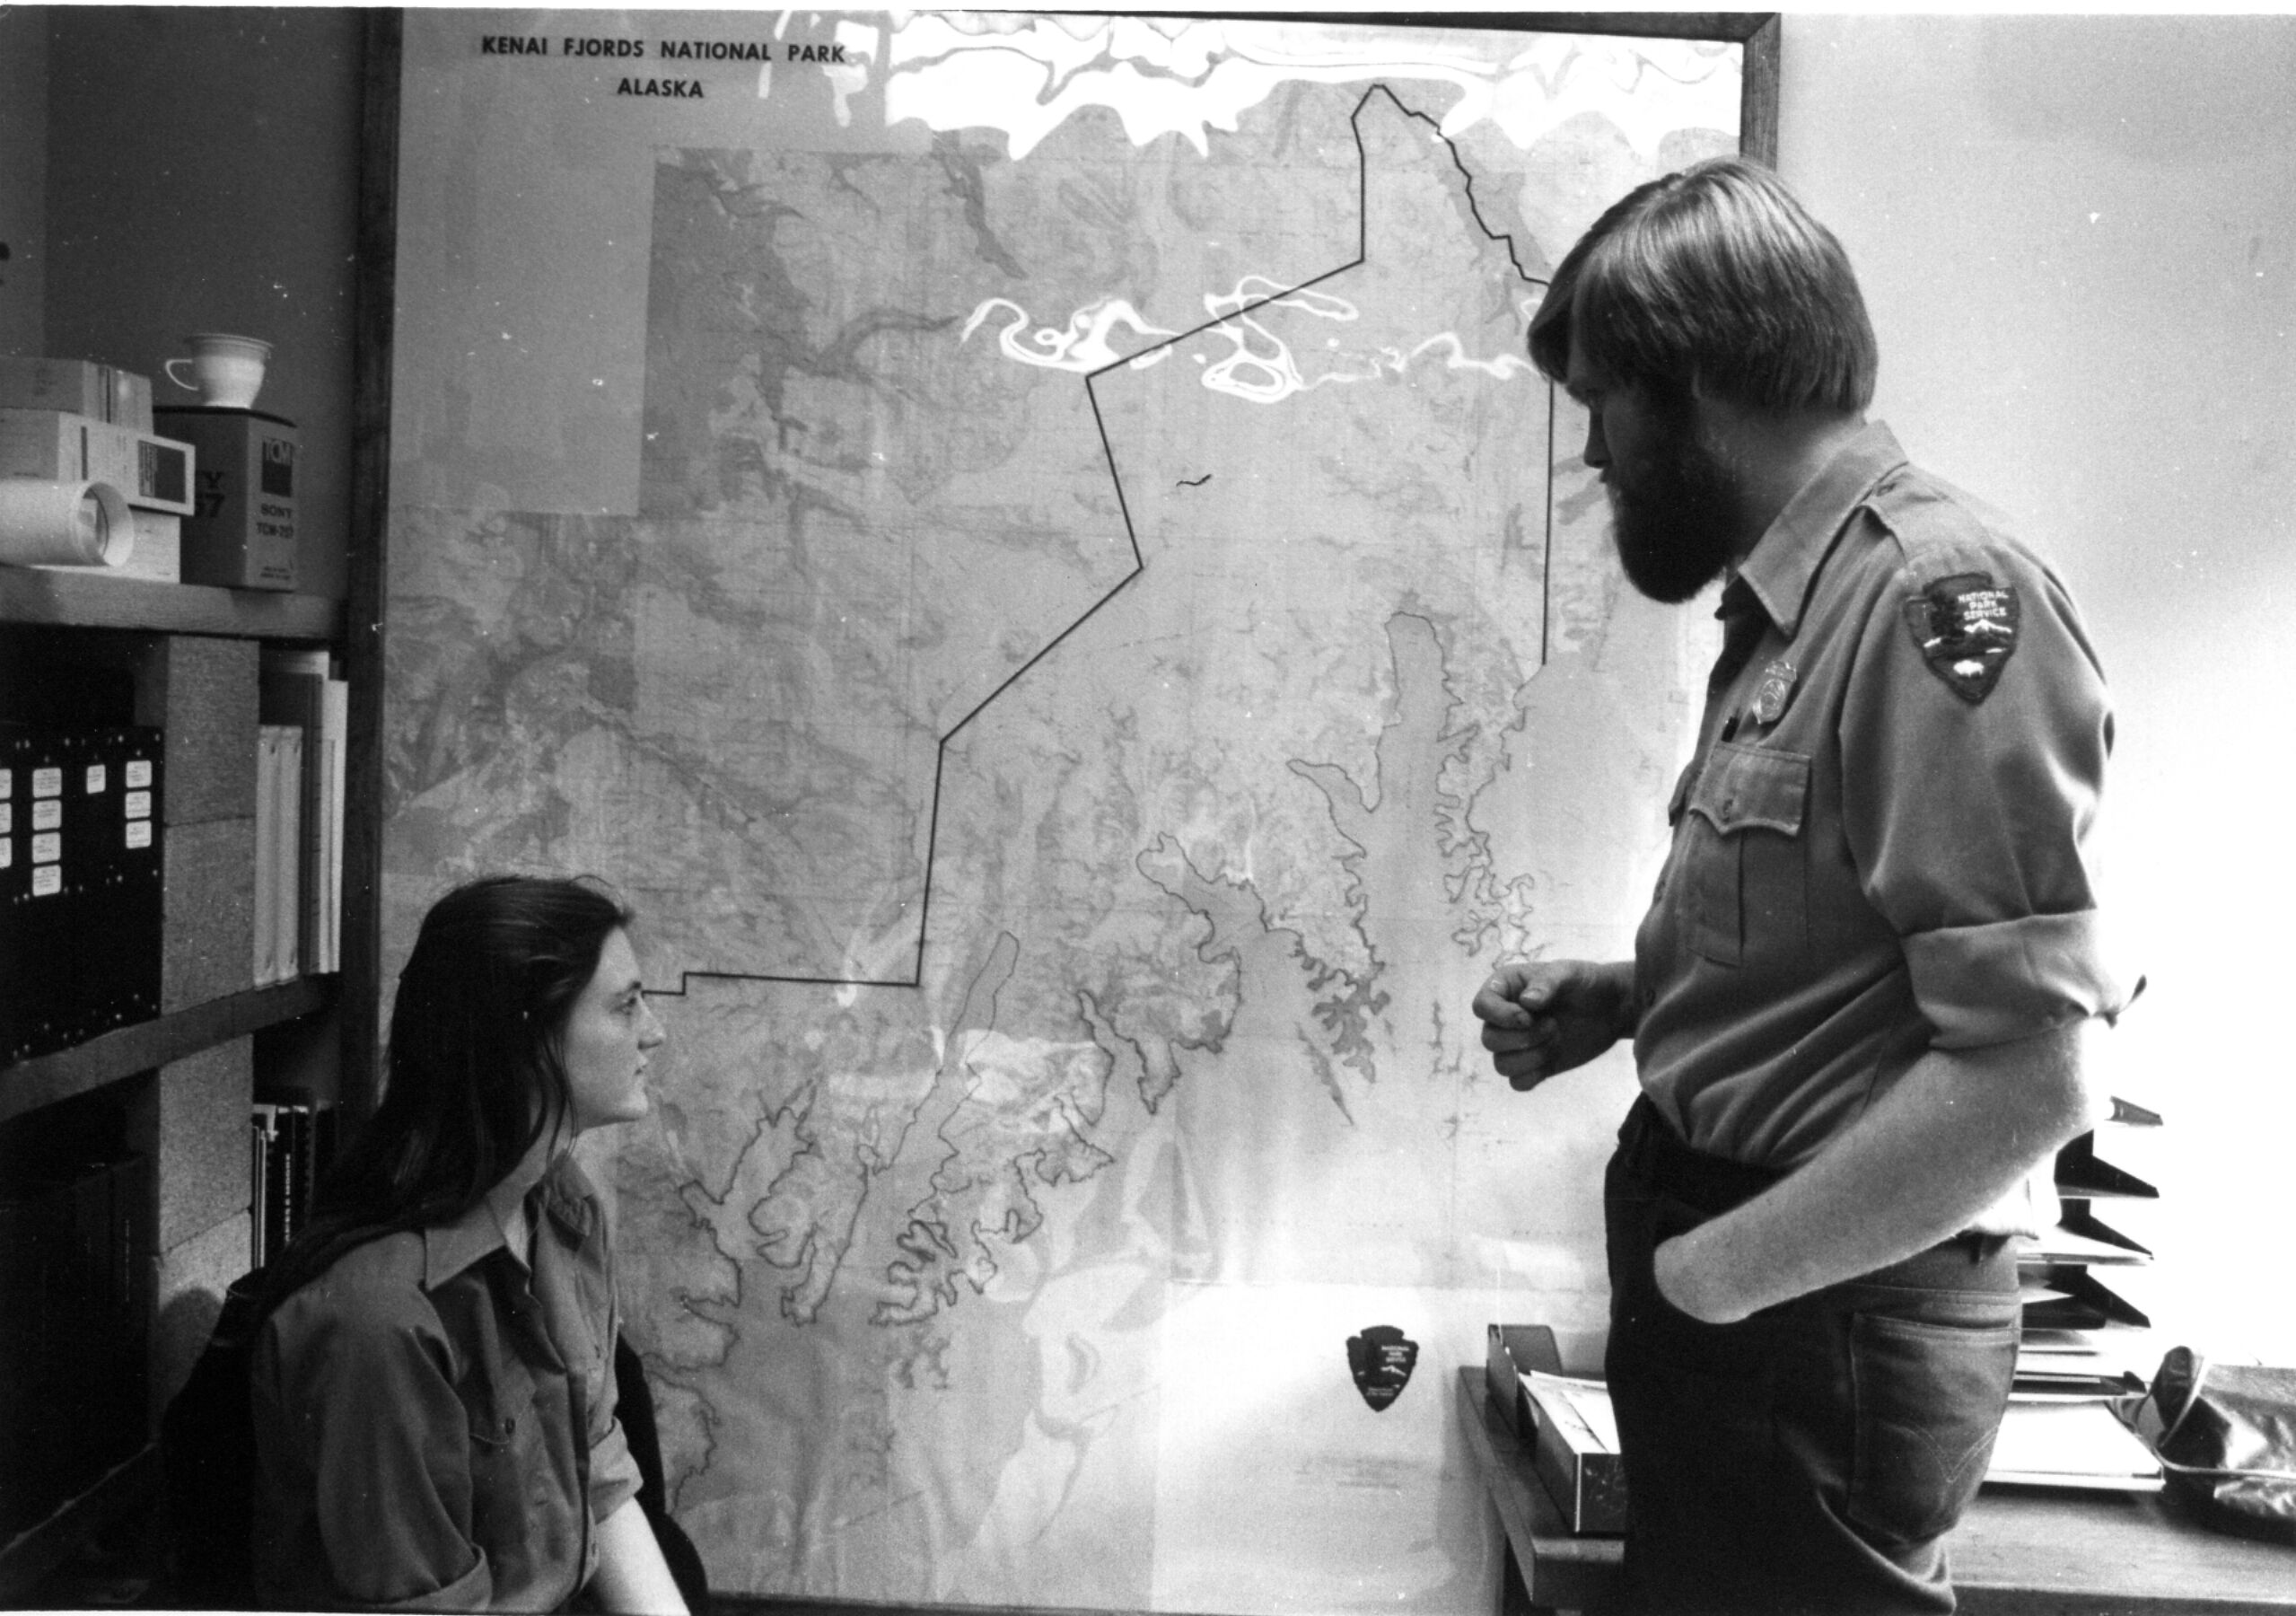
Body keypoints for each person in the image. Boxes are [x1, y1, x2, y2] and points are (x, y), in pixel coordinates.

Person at [1473, 158, 2127, 1614]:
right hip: (1760, 1312)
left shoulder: (1931, 600)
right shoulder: (1792, 608)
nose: (1590, 456)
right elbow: (1854, 946)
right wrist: (1622, 999)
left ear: (1694, 379)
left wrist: (1709, 1283)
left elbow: (2031, 1071)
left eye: (1601, 403)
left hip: (1801, 1329)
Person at [248, 875, 688, 1612]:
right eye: (625, 1005)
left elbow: (602, 1483)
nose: (655, 1032)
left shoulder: (564, 1207)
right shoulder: (379, 1322)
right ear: (524, 1042)